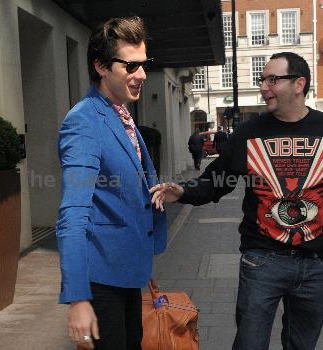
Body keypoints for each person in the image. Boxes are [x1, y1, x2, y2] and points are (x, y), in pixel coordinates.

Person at [150, 52, 323, 350]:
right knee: (249, 343)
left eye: (273, 80)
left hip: (317, 264)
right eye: (262, 79)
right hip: (263, 259)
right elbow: (217, 179)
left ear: (299, 84)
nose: (263, 87)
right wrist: (183, 191)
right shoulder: (248, 133)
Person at [56, 16, 167, 350]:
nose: (142, 74)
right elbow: (73, 214)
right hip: (100, 282)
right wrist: (77, 299)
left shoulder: (121, 113)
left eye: (143, 64)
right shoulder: (84, 122)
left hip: (127, 273)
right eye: (131, 66)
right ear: (101, 67)